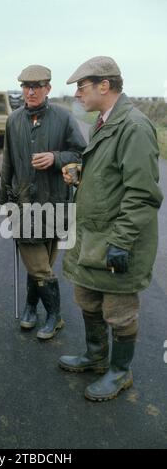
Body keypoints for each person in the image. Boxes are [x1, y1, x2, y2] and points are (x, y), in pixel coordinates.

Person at [59, 56, 163, 401]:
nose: (76, 94)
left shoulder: (133, 126)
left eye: (81, 86)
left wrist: (121, 242)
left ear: (105, 86)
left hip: (116, 241)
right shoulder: (104, 122)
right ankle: (94, 357)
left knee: (118, 313)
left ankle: (119, 373)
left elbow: (142, 193)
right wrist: (81, 175)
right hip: (91, 238)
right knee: (87, 298)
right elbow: (112, 179)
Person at [0, 64, 86, 339]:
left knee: (43, 262)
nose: (31, 91)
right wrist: (5, 202)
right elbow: (8, 161)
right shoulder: (13, 120)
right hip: (24, 204)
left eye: (37, 86)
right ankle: (54, 316)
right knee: (37, 264)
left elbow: (81, 154)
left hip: (56, 203)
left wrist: (55, 158)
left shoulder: (64, 117)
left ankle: (29, 307)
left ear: (48, 88)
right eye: (26, 86)